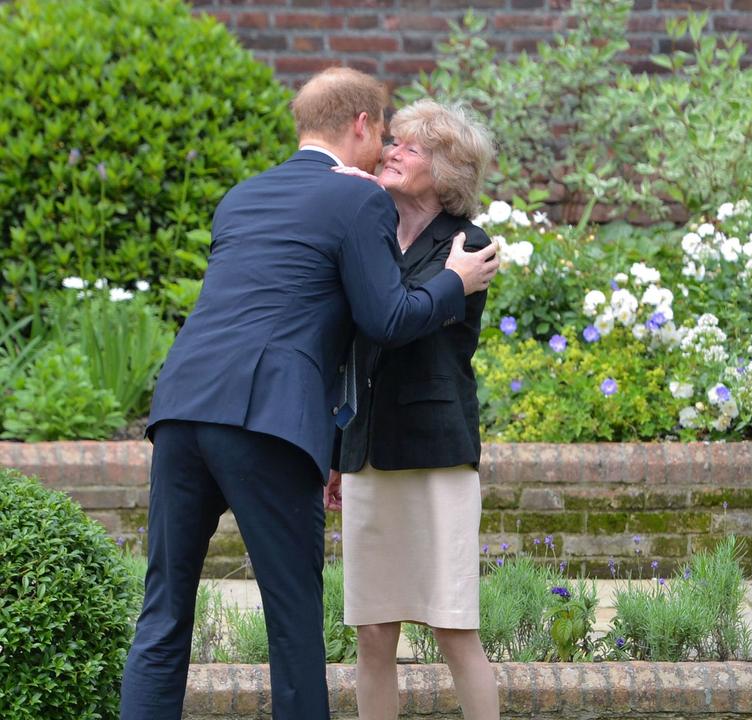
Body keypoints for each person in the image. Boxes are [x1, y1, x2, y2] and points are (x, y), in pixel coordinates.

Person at [119, 68, 499, 720]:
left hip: (181, 408)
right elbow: (384, 317)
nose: (386, 148)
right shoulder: (359, 200)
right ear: (359, 125)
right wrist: (453, 283)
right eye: (383, 132)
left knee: (162, 613)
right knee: (294, 621)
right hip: (266, 420)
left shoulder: (242, 195)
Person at [324, 99, 499, 720]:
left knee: (453, 629)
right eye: (391, 142)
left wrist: (444, 277)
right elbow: (353, 348)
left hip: (435, 456)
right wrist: (340, 452)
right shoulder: (370, 233)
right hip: (368, 455)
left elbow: (400, 322)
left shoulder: (469, 247)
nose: (391, 151)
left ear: (446, 169)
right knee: (372, 633)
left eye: (411, 148)